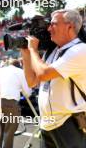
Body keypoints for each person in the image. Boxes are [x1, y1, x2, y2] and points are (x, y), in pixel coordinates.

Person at [21, 9, 86, 148]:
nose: (49, 28)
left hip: (69, 124)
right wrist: (26, 53)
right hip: (47, 124)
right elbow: (32, 81)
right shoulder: (54, 51)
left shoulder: (80, 50)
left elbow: (43, 74)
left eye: (53, 24)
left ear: (69, 26)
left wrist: (33, 50)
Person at [0, 59, 32, 148]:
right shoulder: (20, 72)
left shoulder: (0, 70)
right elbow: (27, 93)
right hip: (10, 103)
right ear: (19, 66)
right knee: (8, 132)